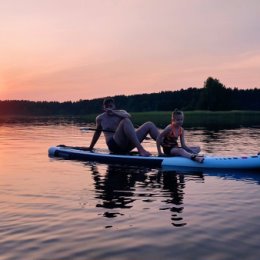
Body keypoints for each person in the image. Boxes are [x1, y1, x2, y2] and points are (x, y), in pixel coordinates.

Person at [87, 97, 159, 156]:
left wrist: (114, 112)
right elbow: (97, 133)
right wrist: (90, 148)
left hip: (127, 144)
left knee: (149, 124)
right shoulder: (100, 118)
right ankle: (141, 150)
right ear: (103, 108)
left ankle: (166, 146)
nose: (109, 108)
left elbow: (128, 116)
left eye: (110, 106)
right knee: (125, 121)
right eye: (106, 107)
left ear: (114, 106)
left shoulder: (121, 112)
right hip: (113, 145)